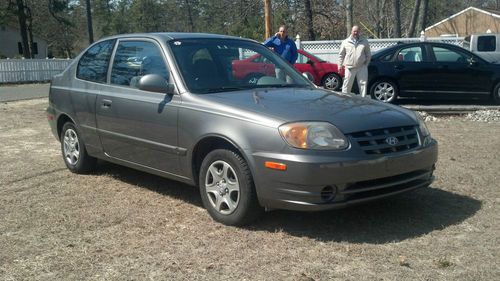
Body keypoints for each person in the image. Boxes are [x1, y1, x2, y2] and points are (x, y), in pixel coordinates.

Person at [338, 25, 371, 97]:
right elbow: (341, 55)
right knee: (347, 84)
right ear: (351, 31)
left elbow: (368, 54)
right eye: (354, 31)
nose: (356, 33)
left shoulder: (364, 41)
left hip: (361, 66)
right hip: (349, 67)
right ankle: (344, 99)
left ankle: (363, 100)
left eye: (357, 31)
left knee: (363, 84)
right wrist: (339, 66)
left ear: (359, 32)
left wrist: (366, 64)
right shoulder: (345, 42)